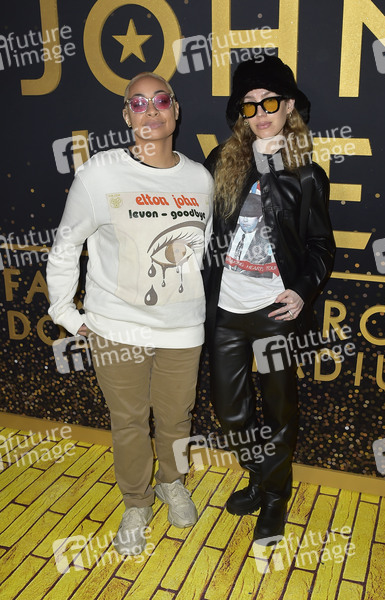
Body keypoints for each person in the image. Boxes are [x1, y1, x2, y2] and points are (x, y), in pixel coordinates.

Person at [47, 72, 213, 555]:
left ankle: (172, 483)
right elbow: (66, 246)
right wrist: (66, 313)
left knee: (177, 419)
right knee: (129, 422)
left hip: (183, 328)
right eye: (138, 103)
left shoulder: (199, 179)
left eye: (161, 100)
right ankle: (137, 503)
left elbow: (198, 253)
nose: (151, 110)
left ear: (176, 110)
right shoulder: (100, 173)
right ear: (126, 115)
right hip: (116, 327)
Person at [203, 56, 335, 544]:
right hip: (226, 310)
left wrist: (302, 290)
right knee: (230, 413)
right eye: (249, 104)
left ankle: (275, 496)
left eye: (270, 102)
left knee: (280, 411)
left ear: (289, 106)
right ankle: (261, 474)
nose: (260, 113)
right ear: (240, 112)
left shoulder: (306, 174)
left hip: (275, 312)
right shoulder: (221, 161)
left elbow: (321, 246)